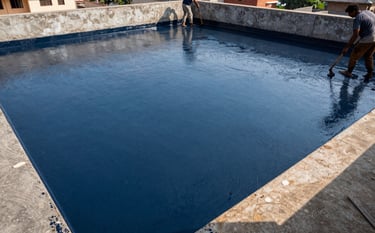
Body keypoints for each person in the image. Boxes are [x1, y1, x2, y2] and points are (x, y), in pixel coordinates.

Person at [339, 4, 375, 82]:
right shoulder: (368, 12)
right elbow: (369, 26)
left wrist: (346, 47)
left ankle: (348, 72)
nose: (349, 15)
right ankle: (370, 73)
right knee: (368, 56)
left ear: (354, 11)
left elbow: (355, 34)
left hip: (368, 38)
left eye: (349, 13)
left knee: (354, 55)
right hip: (374, 38)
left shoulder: (358, 18)